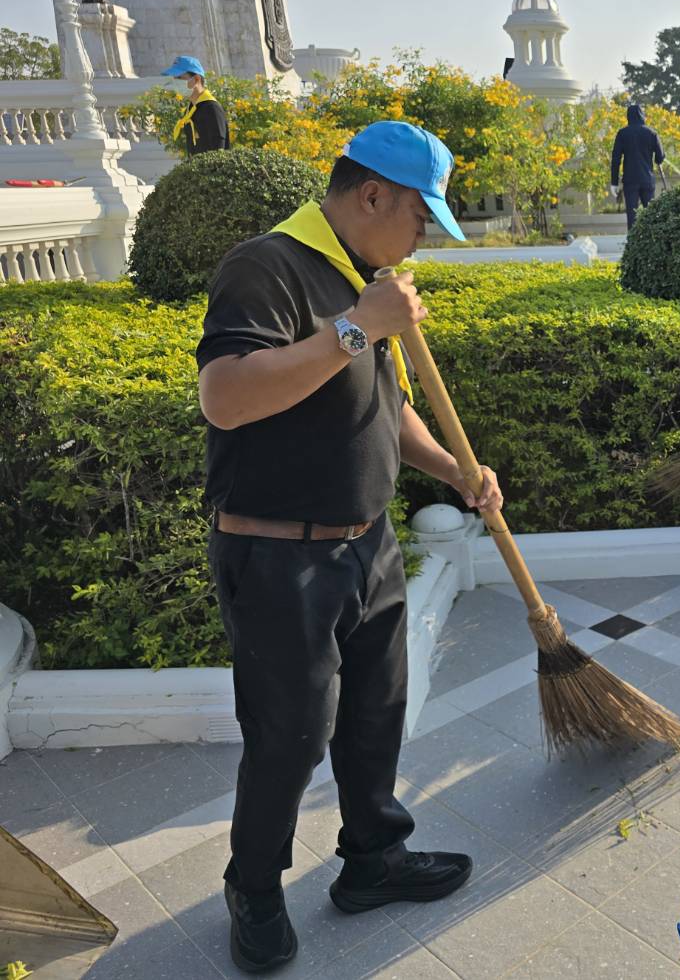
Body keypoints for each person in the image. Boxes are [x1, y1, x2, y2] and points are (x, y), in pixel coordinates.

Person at [196, 120, 501, 973]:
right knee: (290, 735)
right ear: (371, 195)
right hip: (279, 554)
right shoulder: (265, 267)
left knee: (375, 715)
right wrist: (357, 328)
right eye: (419, 218)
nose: (422, 239)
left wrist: (454, 470)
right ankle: (254, 888)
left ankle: (373, 858)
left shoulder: (360, 280)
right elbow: (225, 398)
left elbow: (383, 406)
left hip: (368, 541)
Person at [609, 103, 666, 229]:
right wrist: (656, 159)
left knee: (632, 216)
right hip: (647, 179)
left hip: (630, 180)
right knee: (650, 215)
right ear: (642, 115)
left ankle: (632, 240)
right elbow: (660, 156)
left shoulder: (622, 134)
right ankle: (651, 239)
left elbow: (616, 160)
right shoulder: (651, 133)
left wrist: (614, 182)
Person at [162, 55, 229, 155]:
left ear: (197, 79)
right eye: (174, 78)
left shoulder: (211, 108)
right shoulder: (189, 111)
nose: (176, 83)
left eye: (180, 78)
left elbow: (218, 151)